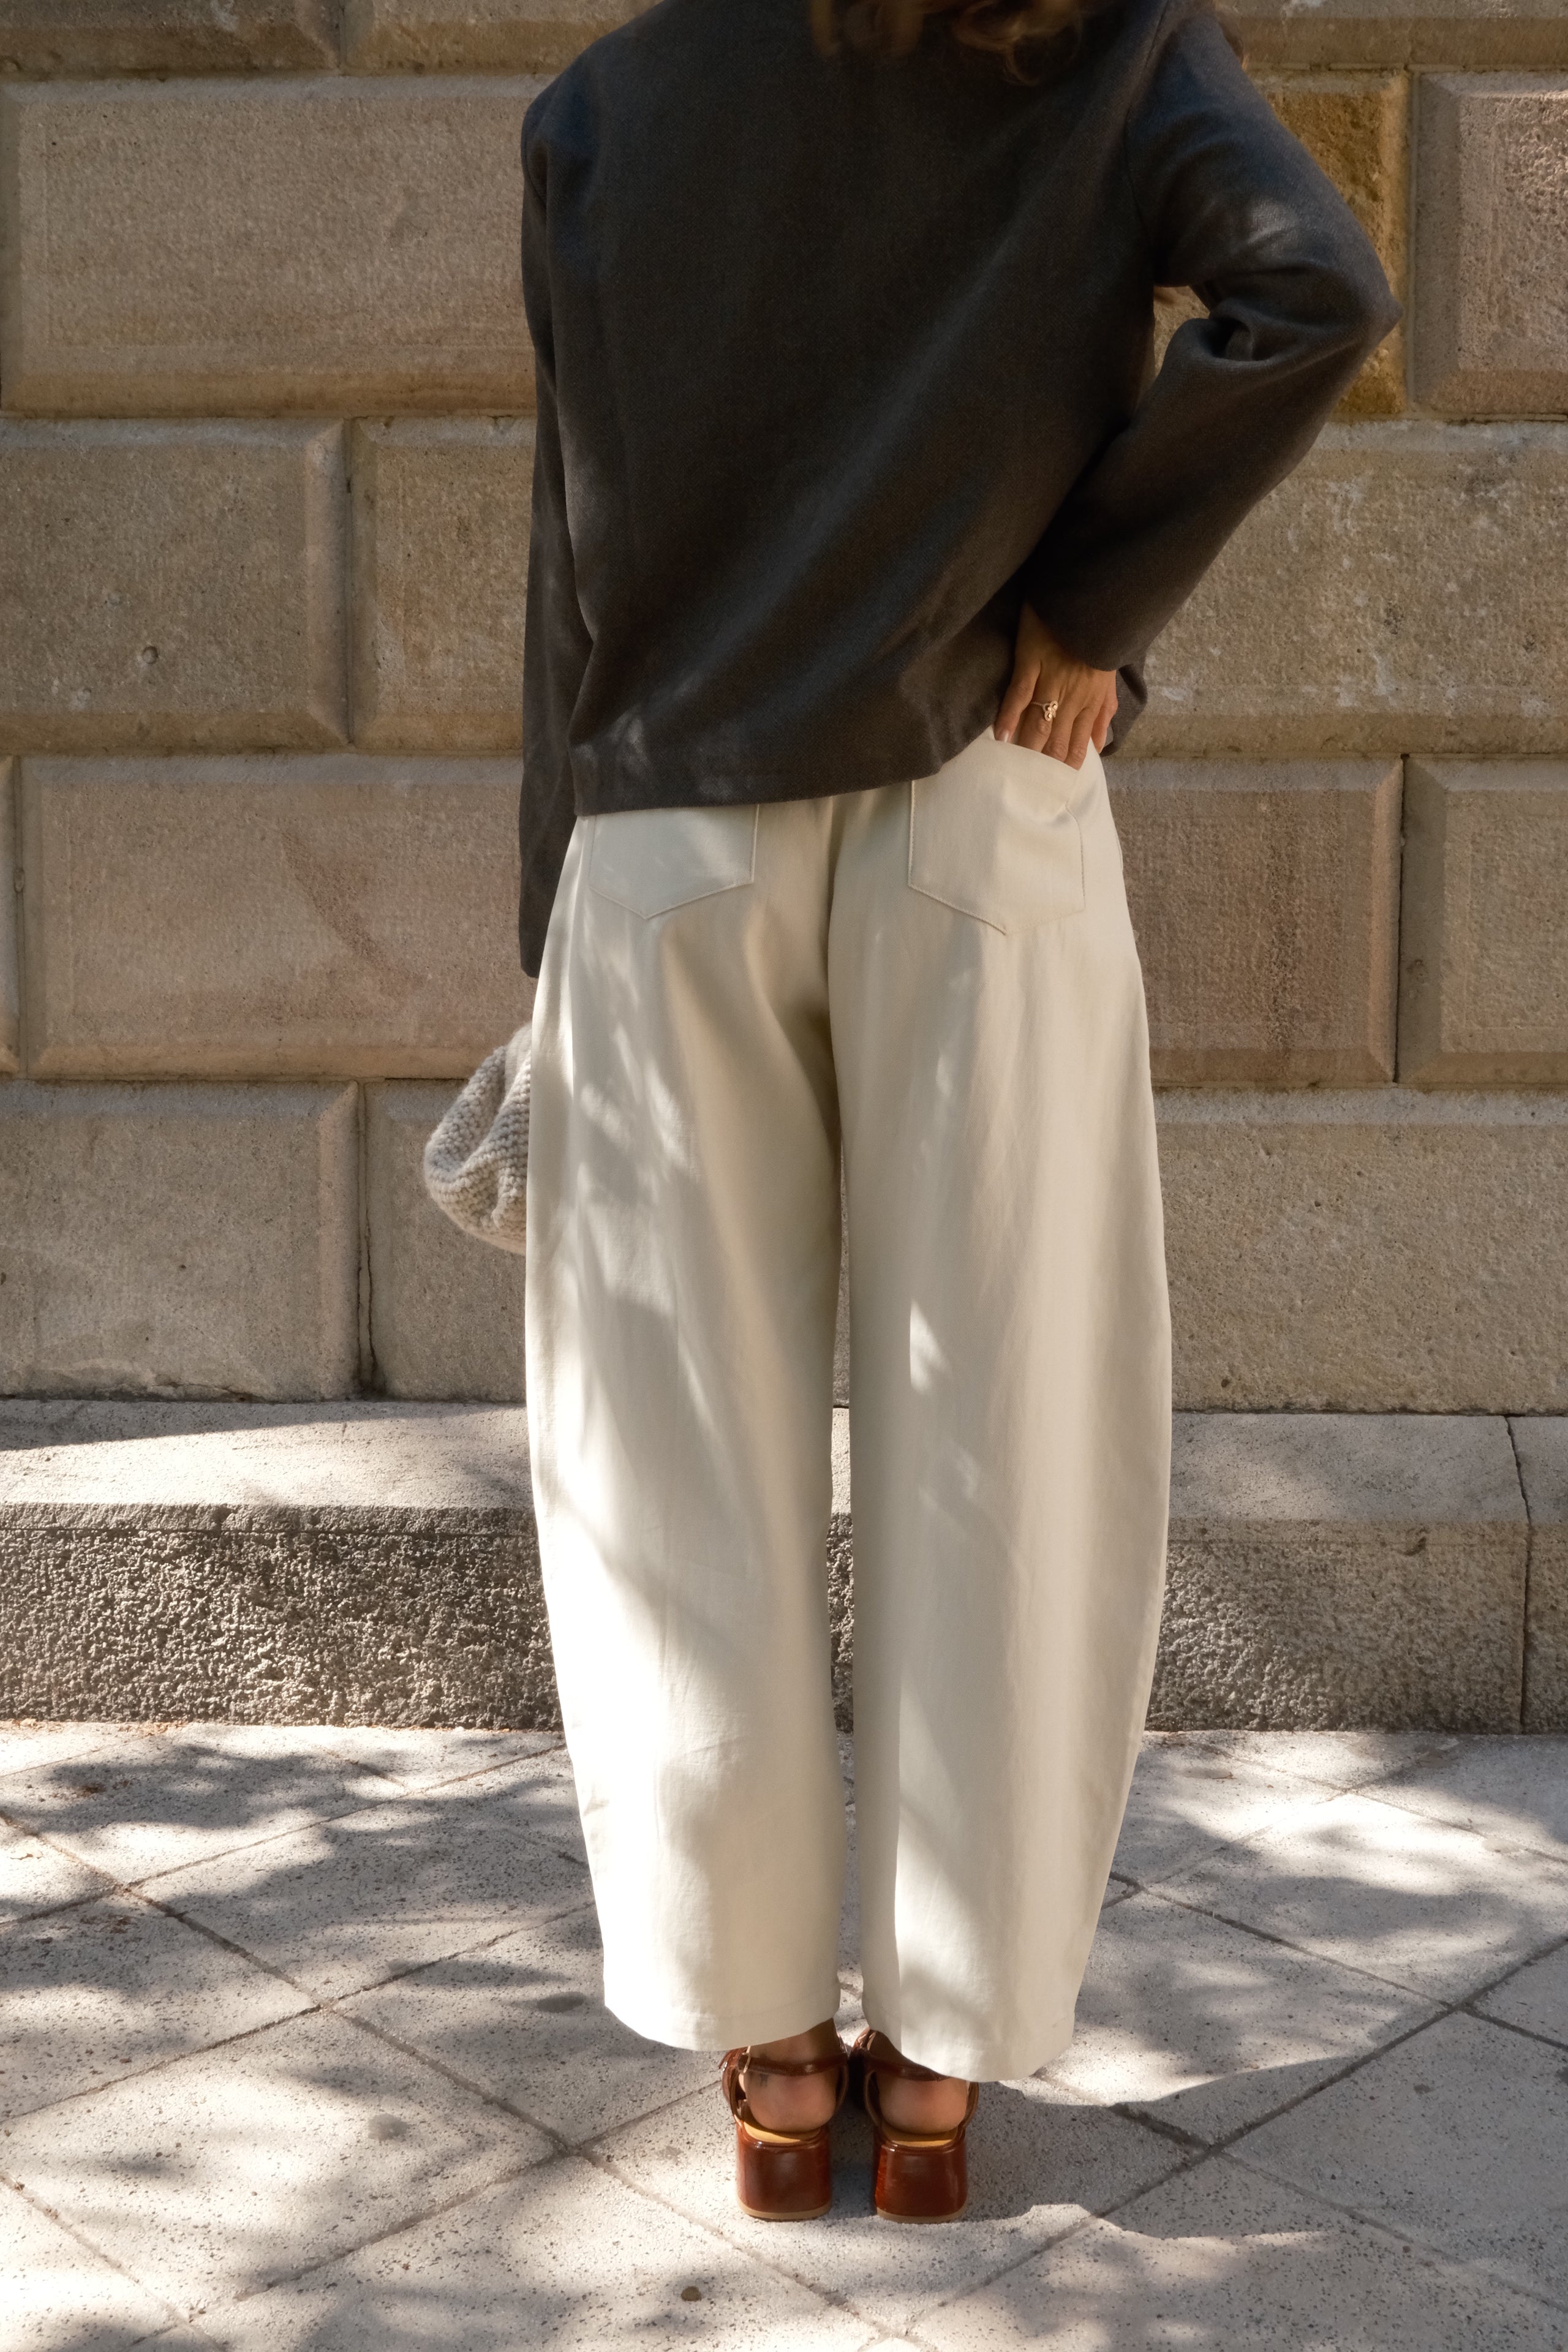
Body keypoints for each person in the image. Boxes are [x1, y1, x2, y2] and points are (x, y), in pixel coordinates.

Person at [518, 0, 1396, 2225]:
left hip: (668, 829)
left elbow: (572, 558)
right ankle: (938, 2062)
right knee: (1005, 1419)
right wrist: (1093, 600)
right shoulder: (1102, 51)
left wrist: (543, 928)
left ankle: (766, 2049)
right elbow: (1316, 286)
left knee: (672, 1445)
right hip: (983, 791)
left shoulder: (605, 109)